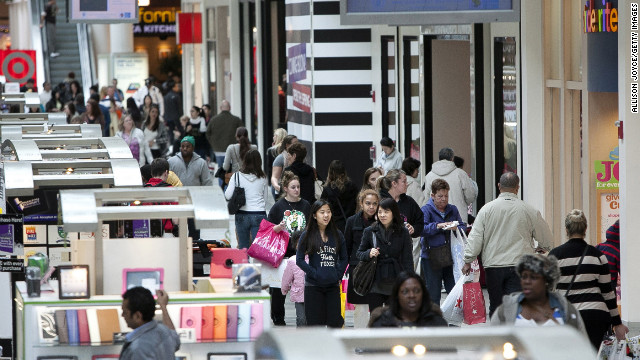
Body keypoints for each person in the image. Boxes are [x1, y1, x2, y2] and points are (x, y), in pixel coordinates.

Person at [462, 172, 553, 316]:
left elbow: (475, 237)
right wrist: (544, 247)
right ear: (517, 188)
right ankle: (513, 336)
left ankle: (497, 336)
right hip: (520, 266)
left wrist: (468, 260)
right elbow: (546, 238)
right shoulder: (529, 210)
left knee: (496, 307)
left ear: (499, 186)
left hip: (494, 266)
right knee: (517, 308)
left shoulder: (486, 210)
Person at [549, 210, 628, 349]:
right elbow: (607, 292)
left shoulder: (555, 255)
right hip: (595, 314)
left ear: (566, 230)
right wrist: (617, 323)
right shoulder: (597, 255)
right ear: (585, 229)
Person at [491, 254, 587, 335]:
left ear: (547, 280)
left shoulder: (567, 311)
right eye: (524, 277)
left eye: (533, 277)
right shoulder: (505, 311)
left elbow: (582, 349)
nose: (527, 281)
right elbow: (492, 346)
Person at [267, 171, 311, 326]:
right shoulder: (278, 207)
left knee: (302, 287)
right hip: (283, 254)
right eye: (293, 187)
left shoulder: (305, 205)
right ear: (285, 188)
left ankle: (303, 318)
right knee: (279, 288)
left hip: (301, 253)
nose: (297, 190)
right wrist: (279, 227)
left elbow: (311, 226)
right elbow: (269, 230)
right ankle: (278, 318)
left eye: (298, 187)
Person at [296, 199, 348, 328]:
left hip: (333, 286)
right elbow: (299, 259)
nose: (326, 215)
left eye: (328, 212)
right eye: (322, 212)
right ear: (314, 215)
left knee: (335, 323)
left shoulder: (338, 234)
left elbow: (344, 258)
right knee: (314, 324)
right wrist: (314, 273)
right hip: (313, 286)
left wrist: (337, 275)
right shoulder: (307, 234)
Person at [356, 198, 414, 312]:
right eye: (380, 212)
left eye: (386, 212)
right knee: (375, 319)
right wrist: (369, 253)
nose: (382, 215)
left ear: (393, 212)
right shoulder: (370, 231)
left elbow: (408, 259)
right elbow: (359, 253)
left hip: (396, 280)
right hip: (375, 281)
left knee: (394, 321)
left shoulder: (403, 232)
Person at [420, 179, 466, 304]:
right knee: (433, 293)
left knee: (453, 291)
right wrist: (439, 226)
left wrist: (455, 227)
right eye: (440, 196)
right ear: (433, 196)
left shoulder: (453, 209)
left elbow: (463, 227)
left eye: (446, 196)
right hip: (431, 256)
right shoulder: (426, 210)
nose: (444, 199)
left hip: (450, 255)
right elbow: (422, 229)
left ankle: (452, 321)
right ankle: (435, 321)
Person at [344, 189, 379, 328]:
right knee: (361, 308)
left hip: (377, 269)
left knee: (377, 307)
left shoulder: (382, 221)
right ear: (361, 203)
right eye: (368, 203)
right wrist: (344, 270)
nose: (371, 207)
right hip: (358, 269)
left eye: (375, 203)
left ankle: (376, 341)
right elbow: (346, 247)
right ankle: (360, 340)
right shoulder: (352, 221)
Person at [368, 271, 448, 328]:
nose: (412, 295)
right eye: (405, 292)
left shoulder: (436, 322)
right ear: (397, 295)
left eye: (416, 291)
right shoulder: (383, 323)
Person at [224, 149, 269, 249]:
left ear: (245, 161)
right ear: (259, 162)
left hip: (242, 214)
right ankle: (258, 265)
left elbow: (227, 195)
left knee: (243, 248)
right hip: (259, 213)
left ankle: (245, 264)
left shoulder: (236, 176)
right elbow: (265, 200)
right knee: (259, 249)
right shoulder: (263, 177)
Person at [119, 287, 180, 359]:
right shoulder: (164, 332)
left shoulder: (138, 348)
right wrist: (163, 306)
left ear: (138, 316)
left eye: (125, 312)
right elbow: (174, 338)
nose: (122, 315)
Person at [423, 148, 477, 223]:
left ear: (439, 158)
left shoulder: (429, 176)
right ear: (452, 159)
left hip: (435, 220)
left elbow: (426, 199)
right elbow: (470, 196)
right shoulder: (461, 174)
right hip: (458, 218)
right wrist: (462, 202)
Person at [377, 169, 424, 242]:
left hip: (405, 247)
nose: (407, 184)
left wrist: (413, 229)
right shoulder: (379, 200)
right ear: (394, 183)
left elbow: (420, 222)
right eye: (404, 181)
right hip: (384, 246)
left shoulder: (409, 201)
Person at [320, 160, 359, 233]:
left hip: (334, 225)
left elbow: (321, 206)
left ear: (330, 173)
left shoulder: (328, 190)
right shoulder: (352, 186)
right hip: (350, 224)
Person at [206, 99, 243, 170]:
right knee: (232, 170)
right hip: (233, 148)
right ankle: (230, 181)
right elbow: (242, 133)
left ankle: (222, 181)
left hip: (218, 150)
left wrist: (213, 144)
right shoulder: (236, 120)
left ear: (220, 108)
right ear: (230, 107)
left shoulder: (213, 120)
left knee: (221, 170)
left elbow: (208, 133)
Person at [281, 231, 307, 327]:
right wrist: (284, 289)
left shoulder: (314, 259)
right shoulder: (292, 260)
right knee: (301, 318)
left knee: (311, 319)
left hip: (313, 294)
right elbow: (286, 277)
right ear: (295, 245)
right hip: (299, 294)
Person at [270, 135, 298, 199]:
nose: (297, 145)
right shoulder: (280, 158)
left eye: (298, 143)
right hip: (282, 191)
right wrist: (279, 188)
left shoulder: (299, 157)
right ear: (287, 145)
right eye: (295, 143)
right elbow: (274, 177)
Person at [596, 220, 621, 287]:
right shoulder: (618, 252)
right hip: (609, 286)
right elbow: (624, 275)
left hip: (596, 285)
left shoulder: (598, 246)